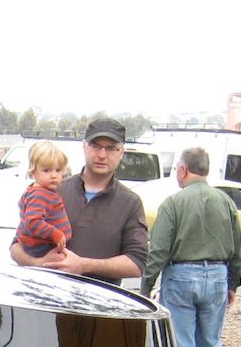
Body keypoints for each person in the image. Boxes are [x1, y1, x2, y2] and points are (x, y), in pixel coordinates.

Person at [140, 146, 241, 347]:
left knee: (183, 345)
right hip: (218, 276)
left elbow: (159, 249)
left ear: (184, 169)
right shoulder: (226, 203)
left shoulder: (173, 203)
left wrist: (146, 285)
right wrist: (233, 281)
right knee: (211, 343)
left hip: (181, 276)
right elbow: (239, 249)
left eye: (177, 170)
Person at [9, 117, 148, 285]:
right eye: (95, 146)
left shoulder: (130, 203)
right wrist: (40, 264)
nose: (102, 155)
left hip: (98, 306)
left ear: (121, 153)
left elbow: (137, 263)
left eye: (111, 148)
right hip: (49, 302)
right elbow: (16, 247)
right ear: (84, 146)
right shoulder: (51, 190)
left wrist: (84, 265)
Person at [15, 140, 71, 257]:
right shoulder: (39, 194)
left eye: (58, 170)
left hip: (45, 244)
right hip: (42, 247)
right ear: (33, 172)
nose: (54, 175)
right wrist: (56, 235)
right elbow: (33, 222)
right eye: (47, 170)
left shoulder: (43, 191)